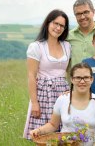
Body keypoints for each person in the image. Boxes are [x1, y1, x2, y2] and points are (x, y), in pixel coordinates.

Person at [30, 63, 95, 146]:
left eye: (86, 77)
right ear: (72, 79)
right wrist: (38, 130)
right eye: (78, 78)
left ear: (92, 79)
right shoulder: (62, 100)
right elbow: (53, 125)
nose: (82, 81)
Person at [23, 9, 71, 140]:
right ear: (48, 23)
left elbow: (70, 71)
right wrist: (34, 103)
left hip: (63, 93)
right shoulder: (36, 47)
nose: (58, 27)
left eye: (62, 25)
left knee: (65, 134)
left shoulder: (67, 46)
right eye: (55, 23)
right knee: (44, 136)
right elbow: (32, 76)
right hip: (44, 94)